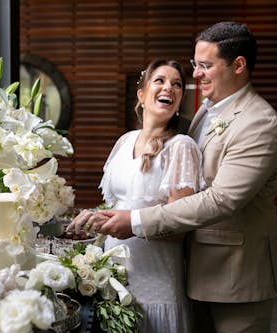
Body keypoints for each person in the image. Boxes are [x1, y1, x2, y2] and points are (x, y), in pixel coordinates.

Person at [71, 22, 277, 333]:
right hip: (192, 269)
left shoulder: (258, 122)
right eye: (195, 65)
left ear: (238, 65)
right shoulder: (207, 112)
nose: (195, 75)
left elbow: (222, 199)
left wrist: (135, 221)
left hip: (236, 276)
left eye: (205, 65)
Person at [70, 59, 204, 332]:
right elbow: (117, 205)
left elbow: (180, 227)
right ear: (141, 94)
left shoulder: (181, 147)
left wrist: (131, 225)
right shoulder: (124, 141)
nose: (169, 87)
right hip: (114, 282)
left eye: (177, 84)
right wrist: (93, 218)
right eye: (160, 80)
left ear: (179, 101)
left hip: (156, 282)